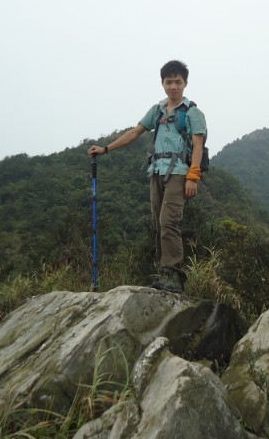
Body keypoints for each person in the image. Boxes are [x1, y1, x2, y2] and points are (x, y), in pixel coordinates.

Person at [88, 60, 207, 293]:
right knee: (158, 223)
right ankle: (164, 273)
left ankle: (174, 276)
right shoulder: (157, 111)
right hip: (156, 171)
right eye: (169, 82)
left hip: (179, 172)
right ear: (162, 83)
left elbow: (198, 145)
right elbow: (135, 132)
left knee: (168, 222)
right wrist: (106, 149)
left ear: (185, 83)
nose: (173, 86)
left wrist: (193, 176)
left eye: (178, 82)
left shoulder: (193, 113)